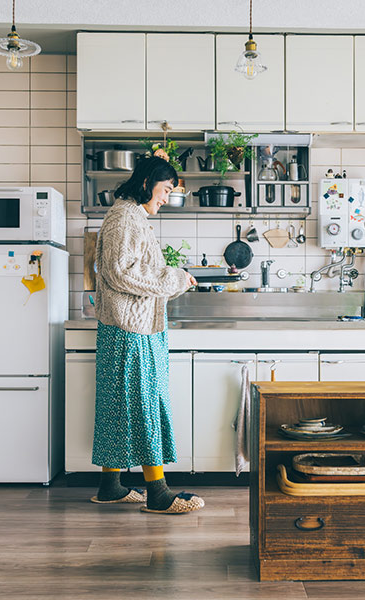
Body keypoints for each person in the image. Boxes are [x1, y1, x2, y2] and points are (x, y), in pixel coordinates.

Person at [90, 155, 203, 514]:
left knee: (119, 407)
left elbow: (128, 269)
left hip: (124, 326)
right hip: (130, 328)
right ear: (146, 183)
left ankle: (110, 486)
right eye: (166, 189)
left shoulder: (129, 215)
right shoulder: (126, 217)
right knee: (143, 406)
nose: (167, 197)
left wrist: (174, 276)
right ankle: (158, 493)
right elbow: (123, 272)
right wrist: (174, 277)